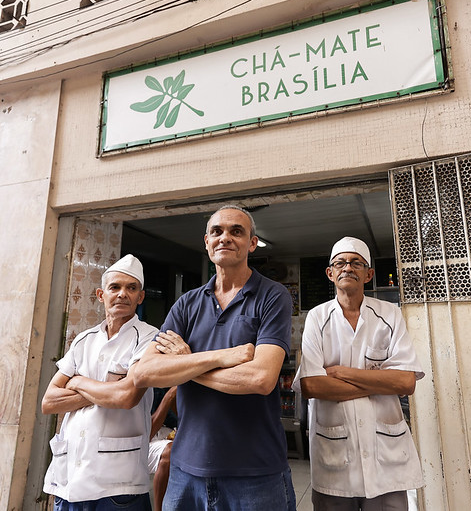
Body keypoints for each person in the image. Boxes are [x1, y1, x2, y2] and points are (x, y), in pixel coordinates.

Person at [129, 205, 296, 511]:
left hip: (255, 472)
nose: (225, 238)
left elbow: (260, 379)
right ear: (206, 241)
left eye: (236, 231)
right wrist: (223, 357)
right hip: (185, 469)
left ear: (252, 243)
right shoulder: (187, 304)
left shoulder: (273, 296)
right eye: (217, 231)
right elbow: (142, 374)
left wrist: (185, 362)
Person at [293, 237, 425, 511]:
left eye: (356, 263)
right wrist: (381, 383)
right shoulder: (318, 318)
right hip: (335, 458)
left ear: (369, 274)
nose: (348, 268)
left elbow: (405, 381)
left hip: (387, 460)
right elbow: (312, 386)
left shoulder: (390, 315)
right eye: (340, 263)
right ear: (330, 273)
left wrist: (341, 373)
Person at [42, 254, 158, 511]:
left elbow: (125, 398)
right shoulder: (84, 339)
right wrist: (108, 387)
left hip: (119, 483)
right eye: (114, 287)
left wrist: (77, 381)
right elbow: (49, 401)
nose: (122, 294)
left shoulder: (149, 338)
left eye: (131, 288)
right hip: (68, 476)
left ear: (140, 297)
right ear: (100, 294)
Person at [148, 386, 177, 511]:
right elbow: (147, 434)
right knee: (170, 452)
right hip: (143, 442)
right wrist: (169, 396)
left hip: (168, 433)